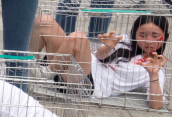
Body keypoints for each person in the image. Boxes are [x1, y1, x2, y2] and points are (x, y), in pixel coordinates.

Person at [29, 13, 167, 109]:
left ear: (164, 37)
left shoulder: (155, 69)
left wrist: (153, 74)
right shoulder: (125, 40)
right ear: (135, 33)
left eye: (155, 36)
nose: (148, 40)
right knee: (44, 21)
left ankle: (45, 74)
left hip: (85, 84)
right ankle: (22, 65)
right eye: (142, 35)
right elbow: (99, 56)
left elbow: (156, 105)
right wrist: (108, 47)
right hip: (76, 64)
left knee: (78, 38)